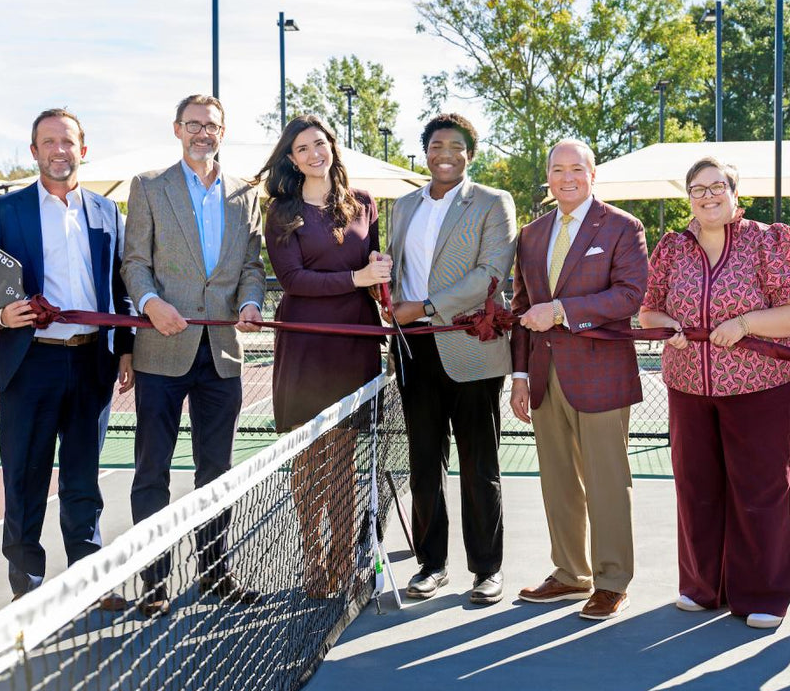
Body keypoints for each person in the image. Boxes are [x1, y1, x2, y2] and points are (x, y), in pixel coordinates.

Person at [637, 157, 790, 629]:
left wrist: (745, 324)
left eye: (718, 186)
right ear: (688, 197)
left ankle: (763, 594)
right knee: (697, 488)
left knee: (760, 490)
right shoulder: (673, 248)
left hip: (760, 387)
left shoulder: (768, 240)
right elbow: (648, 313)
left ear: (736, 193)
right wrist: (668, 327)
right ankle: (703, 586)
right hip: (689, 386)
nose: (708, 195)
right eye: (698, 188)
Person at [0, 109, 135, 605]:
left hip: (93, 362)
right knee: (25, 478)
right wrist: (2, 315)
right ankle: (26, 591)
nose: (59, 150)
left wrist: (126, 350)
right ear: (34, 152)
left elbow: (120, 285)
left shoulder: (109, 212)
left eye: (67, 141)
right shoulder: (7, 211)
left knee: (83, 477)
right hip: (30, 363)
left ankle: (88, 581)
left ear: (82, 150)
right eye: (48, 142)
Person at [123, 93, 266, 610]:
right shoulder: (148, 187)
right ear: (177, 129)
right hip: (162, 347)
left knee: (217, 473)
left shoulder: (248, 193)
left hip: (222, 352)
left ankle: (215, 574)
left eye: (213, 125)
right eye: (194, 124)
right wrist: (150, 302)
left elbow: (252, 265)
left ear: (223, 132)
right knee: (153, 470)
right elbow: (134, 262)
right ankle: (155, 583)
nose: (203, 132)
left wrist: (251, 301)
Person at [383, 113, 516, 605]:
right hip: (412, 347)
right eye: (436, 144)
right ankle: (431, 565)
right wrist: (392, 303)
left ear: (470, 154)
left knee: (479, 464)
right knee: (423, 463)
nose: (445, 152)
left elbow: (490, 274)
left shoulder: (493, 202)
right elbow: (396, 271)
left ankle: (487, 570)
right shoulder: (401, 207)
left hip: (469, 347)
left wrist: (424, 306)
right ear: (425, 152)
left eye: (456, 146)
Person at [510, 138, 645, 622]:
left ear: (593, 175)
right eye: (557, 169)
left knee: (607, 482)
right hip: (545, 378)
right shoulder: (530, 234)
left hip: (602, 375)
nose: (567, 177)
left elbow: (630, 296)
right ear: (547, 176)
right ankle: (570, 573)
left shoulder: (623, 228)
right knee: (558, 482)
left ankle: (612, 581)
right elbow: (522, 310)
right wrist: (520, 375)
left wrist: (564, 311)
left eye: (576, 169)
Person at [257, 116, 392, 597]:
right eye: (302, 148)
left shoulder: (364, 205)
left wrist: (381, 277)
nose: (314, 153)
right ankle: (315, 563)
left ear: (332, 147)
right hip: (305, 347)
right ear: (291, 159)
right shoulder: (280, 212)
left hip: (354, 342)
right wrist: (356, 279)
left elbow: (375, 273)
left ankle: (342, 566)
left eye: (320, 143)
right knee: (308, 459)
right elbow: (292, 281)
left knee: (342, 461)